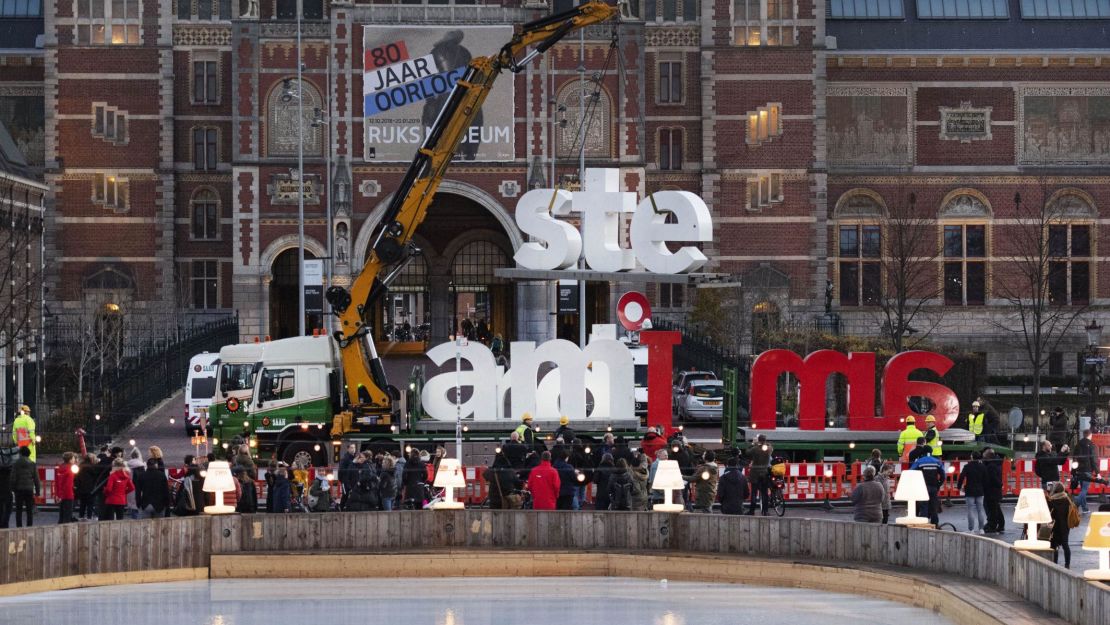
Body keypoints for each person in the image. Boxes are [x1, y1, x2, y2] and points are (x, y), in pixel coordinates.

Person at [910, 449, 945, 525]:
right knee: (933, 506)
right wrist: (938, 484)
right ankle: (935, 523)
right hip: (934, 487)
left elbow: (911, 472)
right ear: (931, 452)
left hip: (923, 487)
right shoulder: (937, 461)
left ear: (922, 453)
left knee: (924, 506)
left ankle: (924, 524)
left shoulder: (919, 461)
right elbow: (943, 475)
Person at [1046, 481, 1076, 568]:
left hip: (1055, 526)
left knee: (1054, 545)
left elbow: (1050, 514)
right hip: (1065, 526)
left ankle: (1055, 564)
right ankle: (1067, 564)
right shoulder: (1067, 499)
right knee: (1065, 545)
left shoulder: (1051, 501)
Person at [957, 451, 987, 533]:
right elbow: (986, 479)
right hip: (980, 491)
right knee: (980, 510)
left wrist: (959, 487)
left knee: (970, 510)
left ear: (972, 457)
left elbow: (961, 477)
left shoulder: (967, 466)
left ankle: (971, 529)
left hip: (969, 490)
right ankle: (981, 529)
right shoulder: (982, 467)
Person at [10, 447, 39, 527]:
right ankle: (29, 527)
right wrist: (37, 491)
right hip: (29, 489)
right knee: (29, 510)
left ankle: (19, 527)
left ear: (20, 453)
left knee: (18, 510)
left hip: (19, 490)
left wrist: (12, 488)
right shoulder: (32, 464)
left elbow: (13, 477)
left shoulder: (16, 464)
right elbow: (36, 479)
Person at [747, 434, 772, 515]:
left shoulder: (755, 449)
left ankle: (752, 511)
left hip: (755, 473)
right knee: (764, 493)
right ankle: (766, 511)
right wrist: (765, 444)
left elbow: (747, 452)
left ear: (758, 440)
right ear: (765, 440)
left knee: (754, 492)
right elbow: (770, 446)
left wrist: (753, 444)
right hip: (765, 472)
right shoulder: (769, 449)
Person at [1074, 429, 1098, 514]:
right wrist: (1097, 472)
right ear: (1090, 435)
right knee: (1084, 490)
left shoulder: (1078, 444)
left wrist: (1074, 470)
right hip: (1087, 470)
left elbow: (1075, 458)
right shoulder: (1092, 445)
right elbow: (1093, 460)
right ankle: (1075, 503)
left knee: (1082, 489)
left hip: (1079, 470)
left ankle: (1085, 508)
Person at [983, 448, 1005, 533]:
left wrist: (999, 484)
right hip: (995, 491)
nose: (983, 456)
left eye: (984, 455)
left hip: (991, 491)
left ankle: (992, 525)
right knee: (996, 509)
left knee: (992, 510)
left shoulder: (990, 466)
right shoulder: (996, 463)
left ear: (988, 456)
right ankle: (1000, 525)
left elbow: (993, 478)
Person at [74, 454, 98, 521]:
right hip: (90, 488)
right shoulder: (92, 467)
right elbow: (96, 476)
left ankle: (81, 516)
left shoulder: (80, 466)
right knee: (90, 504)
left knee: (82, 503)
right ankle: (89, 517)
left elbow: (76, 477)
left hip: (81, 488)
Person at [55, 452, 77, 524]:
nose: (74, 460)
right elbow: (68, 484)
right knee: (67, 516)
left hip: (61, 494)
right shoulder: (70, 469)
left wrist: (58, 495)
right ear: (70, 460)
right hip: (68, 495)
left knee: (62, 515)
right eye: (73, 458)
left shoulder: (60, 468)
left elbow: (57, 482)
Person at [126, 447, 144, 519]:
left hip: (131, 488)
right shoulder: (143, 465)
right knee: (139, 506)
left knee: (132, 506)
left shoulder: (128, 465)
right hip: (140, 488)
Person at [0, 445, 12, 528]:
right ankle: (5, 524)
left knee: (1, 509)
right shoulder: (9, 471)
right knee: (8, 509)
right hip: (7, 492)